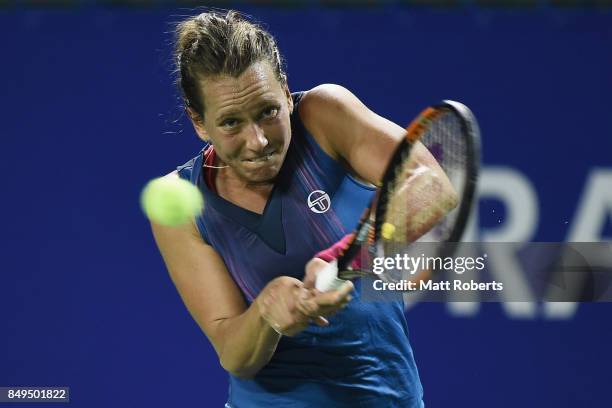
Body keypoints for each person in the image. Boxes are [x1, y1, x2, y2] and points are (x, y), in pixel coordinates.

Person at [150, 10, 457, 408]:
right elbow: (234, 353)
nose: (258, 140)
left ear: (285, 89)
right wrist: (268, 314)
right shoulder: (180, 202)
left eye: (267, 111)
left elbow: (431, 184)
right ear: (199, 124)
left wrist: (347, 254)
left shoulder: (324, 115)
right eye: (230, 123)